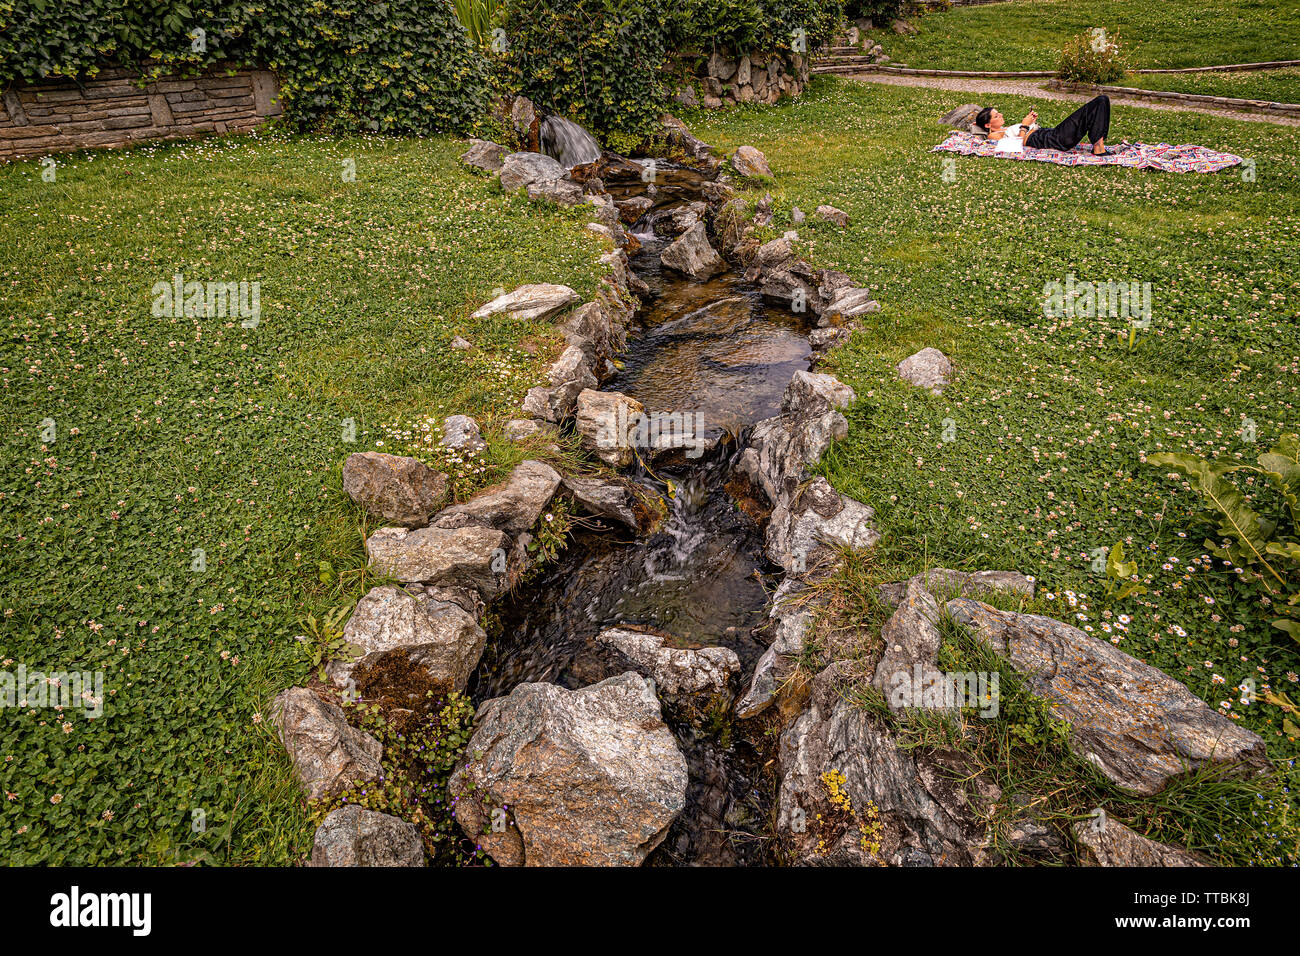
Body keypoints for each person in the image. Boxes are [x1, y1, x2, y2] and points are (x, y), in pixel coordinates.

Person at [975, 95, 1113, 155]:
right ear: (987, 125)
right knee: (1099, 101)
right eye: (996, 116)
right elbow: (1016, 145)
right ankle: (1098, 148)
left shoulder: (1005, 129)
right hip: (1049, 139)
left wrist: (1030, 124)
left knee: (1103, 101)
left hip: (1048, 134)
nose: (1001, 116)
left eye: (999, 113)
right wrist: (1024, 125)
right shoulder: (993, 135)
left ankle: (1098, 145)